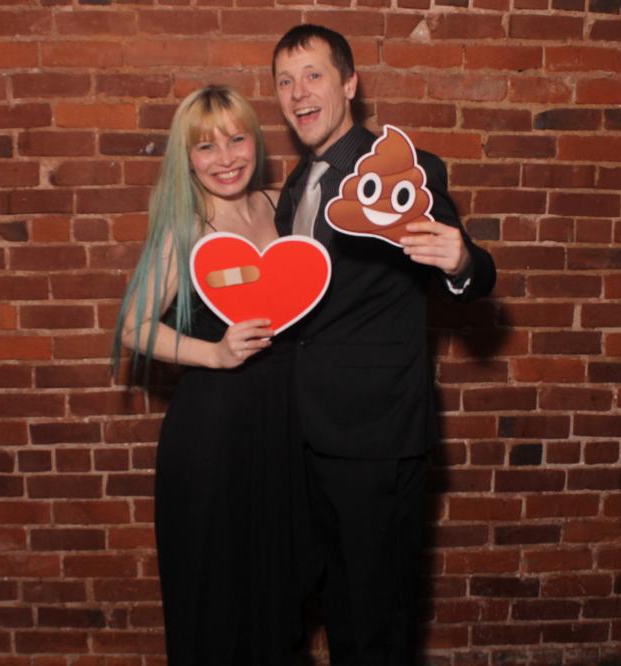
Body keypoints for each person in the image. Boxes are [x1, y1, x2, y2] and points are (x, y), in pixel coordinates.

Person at [271, 25, 497, 665]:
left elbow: (475, 275)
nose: (298, 93)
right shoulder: (297, 186)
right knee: (329, 608)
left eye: (313, 75)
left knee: (376, 626)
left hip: (375, 438)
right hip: (302, 437)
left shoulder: (401, 170)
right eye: (285, 82)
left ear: (349, 84)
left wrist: (462, 261)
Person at [112, 85, 296, 666]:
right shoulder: (185, 227)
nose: (225, 158)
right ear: (186, 158)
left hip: (282, 427)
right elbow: (135, 327)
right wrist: (215, 354)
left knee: (278, 591)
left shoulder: (283, 206)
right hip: (213, 435)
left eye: (236, 139)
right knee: (216, 597)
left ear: (255, 141)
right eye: (206, 146)